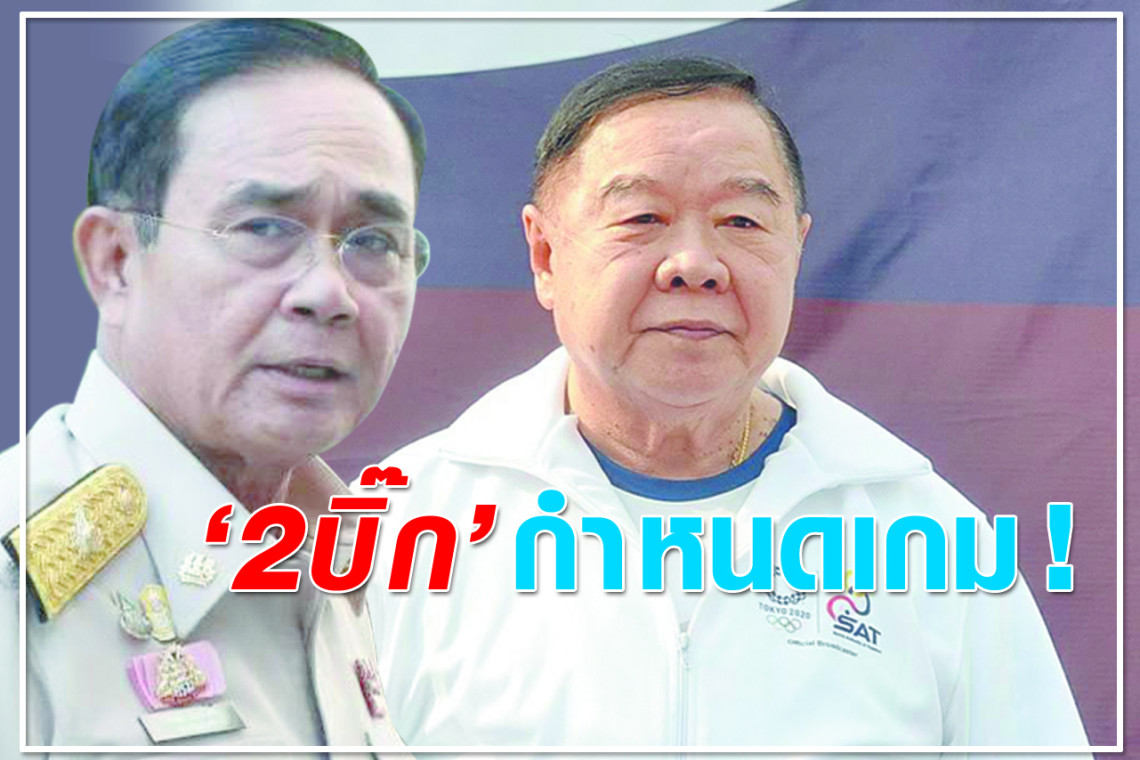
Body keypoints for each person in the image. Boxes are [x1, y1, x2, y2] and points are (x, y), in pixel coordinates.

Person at [367, 57, 1091, 750]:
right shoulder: (400, 526)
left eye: (742, 222)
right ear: (546, 255)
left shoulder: (934, 539)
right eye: (642, 217)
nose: (695, 265)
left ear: (796, 249)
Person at [0, 18, 428, 753]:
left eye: (373, 242)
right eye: (264, 228)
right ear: (115, 261)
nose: (329, 293)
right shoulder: (19, 595)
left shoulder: (352, 567)